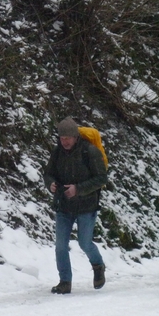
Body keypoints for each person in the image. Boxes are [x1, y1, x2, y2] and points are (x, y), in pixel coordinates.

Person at [43, 117, 108, 294]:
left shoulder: (90, 152)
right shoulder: (57, 153)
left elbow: (102, 178)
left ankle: (98, 265)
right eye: (61, 138)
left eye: (67, 138)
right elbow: (48, 173)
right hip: (64, 205)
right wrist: (51, 184)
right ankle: (65, 281)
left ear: (75, 137)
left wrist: (78, 189)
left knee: (84, 243)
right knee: (60, 246)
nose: (64, 142)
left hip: (86, 206)